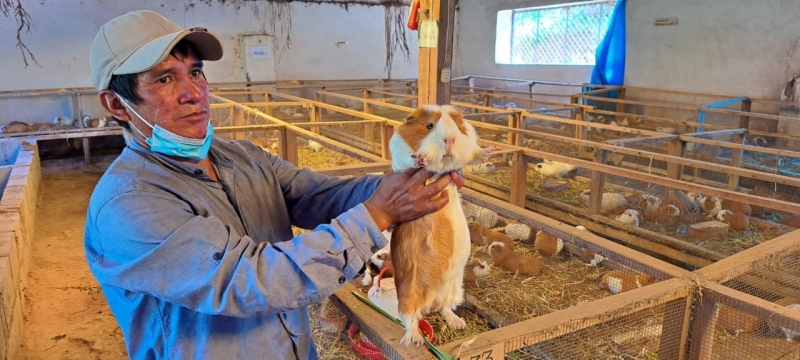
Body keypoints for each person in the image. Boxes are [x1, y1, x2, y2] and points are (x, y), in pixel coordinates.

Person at [84, 9, 464, 360]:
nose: (194, 93)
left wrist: (408, 181)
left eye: (195, 72)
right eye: (165, 79)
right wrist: (380, 211)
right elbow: (253, 281)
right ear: (117, 106)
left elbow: (319, 195)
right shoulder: (128, 204)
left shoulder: (242, 157)